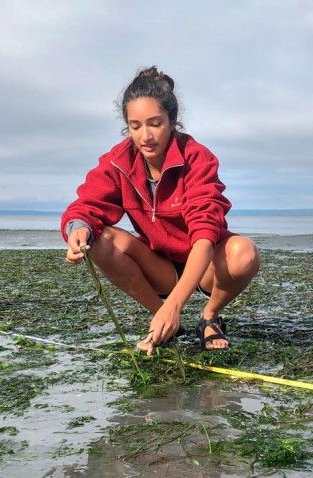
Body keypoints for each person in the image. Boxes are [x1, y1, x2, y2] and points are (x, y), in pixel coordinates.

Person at [61, 66, 260, 355]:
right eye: (135, 125)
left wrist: (175, 305)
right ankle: (164, 320)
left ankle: (209, 317)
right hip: (160, 266)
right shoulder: (119, 161)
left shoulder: (197, 158)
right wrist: (77, 227)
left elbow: (205, 234)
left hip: (205, 265)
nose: (146, 136)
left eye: (155, 123)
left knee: (245, 253)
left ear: (172, 121)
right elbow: (87, 205)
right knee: (100, 240)